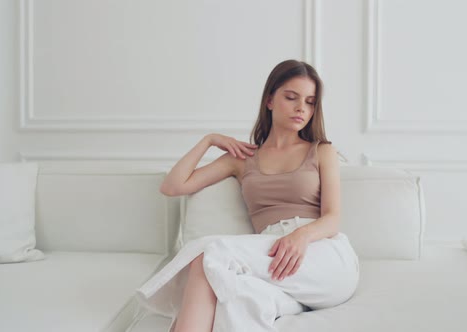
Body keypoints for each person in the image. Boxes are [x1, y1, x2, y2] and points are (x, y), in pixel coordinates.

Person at [137, 59, 359, 332]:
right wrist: (208, 140)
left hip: (322, 256)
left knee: (209, 254)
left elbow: (333, 218)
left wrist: (301, 236)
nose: (302, 107)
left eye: (310, 102)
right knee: (237, 297)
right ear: (269, 100)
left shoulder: (322, 151)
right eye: (291, 97)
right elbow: (172, 186)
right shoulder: (242, 159)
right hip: (273, 262)